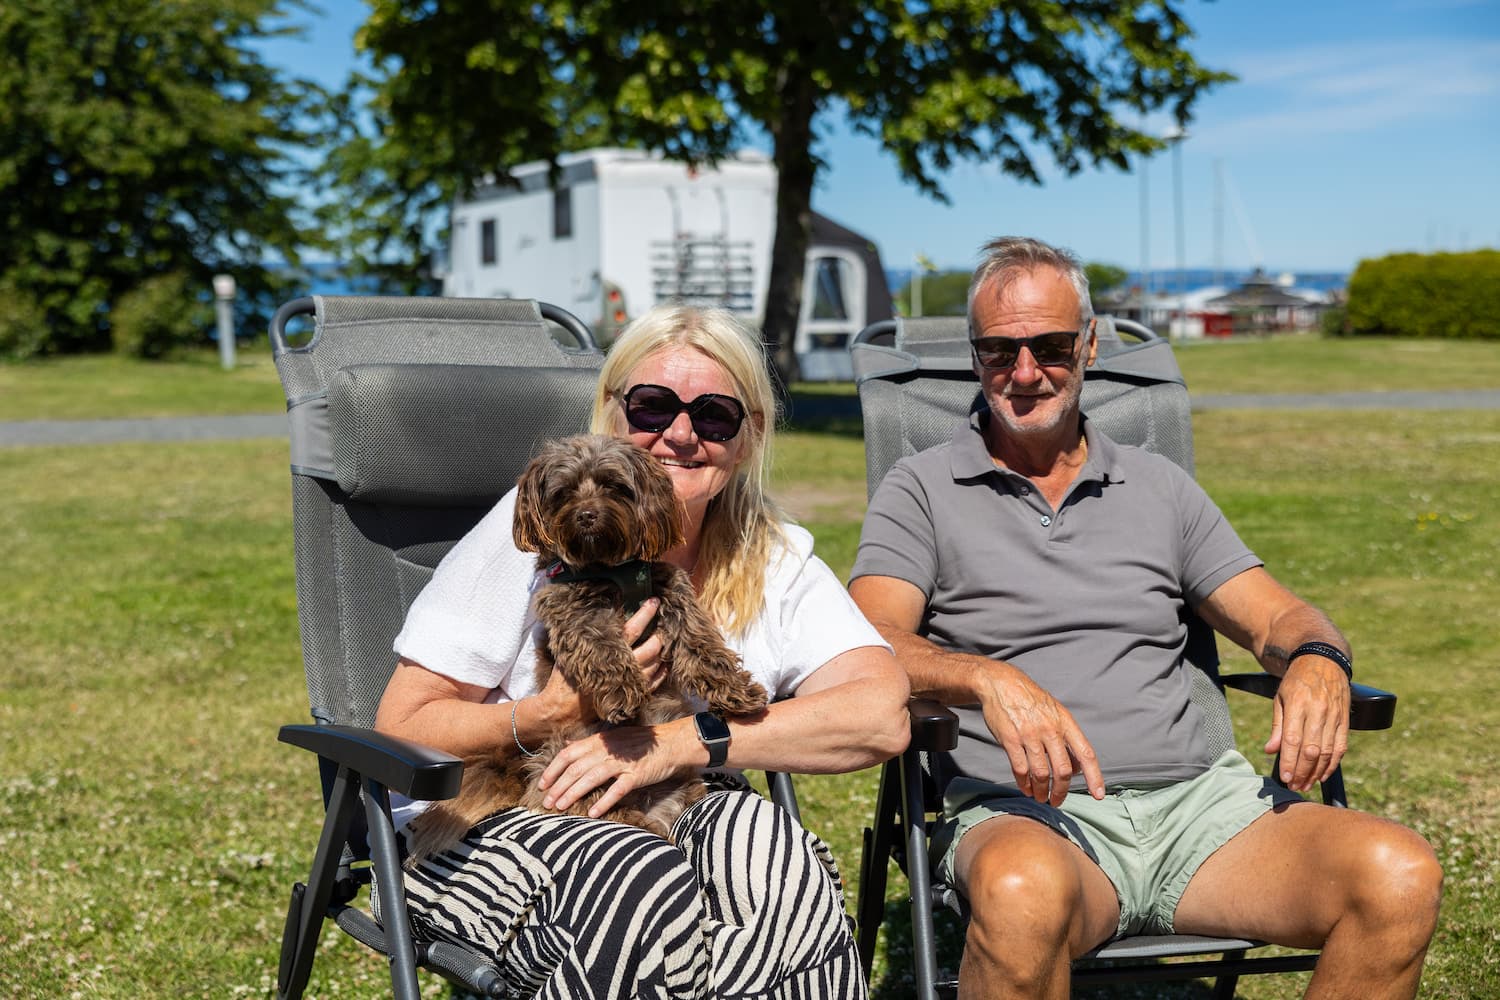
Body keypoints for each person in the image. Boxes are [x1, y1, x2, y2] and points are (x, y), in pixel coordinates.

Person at [848, 237, 1442, 999]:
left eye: (1051, 346)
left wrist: (1320, 660)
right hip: (1032, 817)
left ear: (1090, 344)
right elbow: (869, 643)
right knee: (1021, 892)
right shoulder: (922, 488)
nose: (1025, 373)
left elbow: (1279, 618)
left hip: (1206, 815)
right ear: (974, 355)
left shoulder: (1158, 487)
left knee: (1398, 875)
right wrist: (985, 678)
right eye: (999, 351)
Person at [374, 304, 909, 999]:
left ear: (748, 438)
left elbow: (879, 715)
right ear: (614, 412)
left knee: (785, 871)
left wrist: (683, 742)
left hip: (676, 795)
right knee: (641, 884)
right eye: (653, 405)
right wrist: (549, 712)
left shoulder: (772, 557)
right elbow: (402, 726)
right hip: (497, 813)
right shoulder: (540, 538)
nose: (680, 435)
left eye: (714, 416)